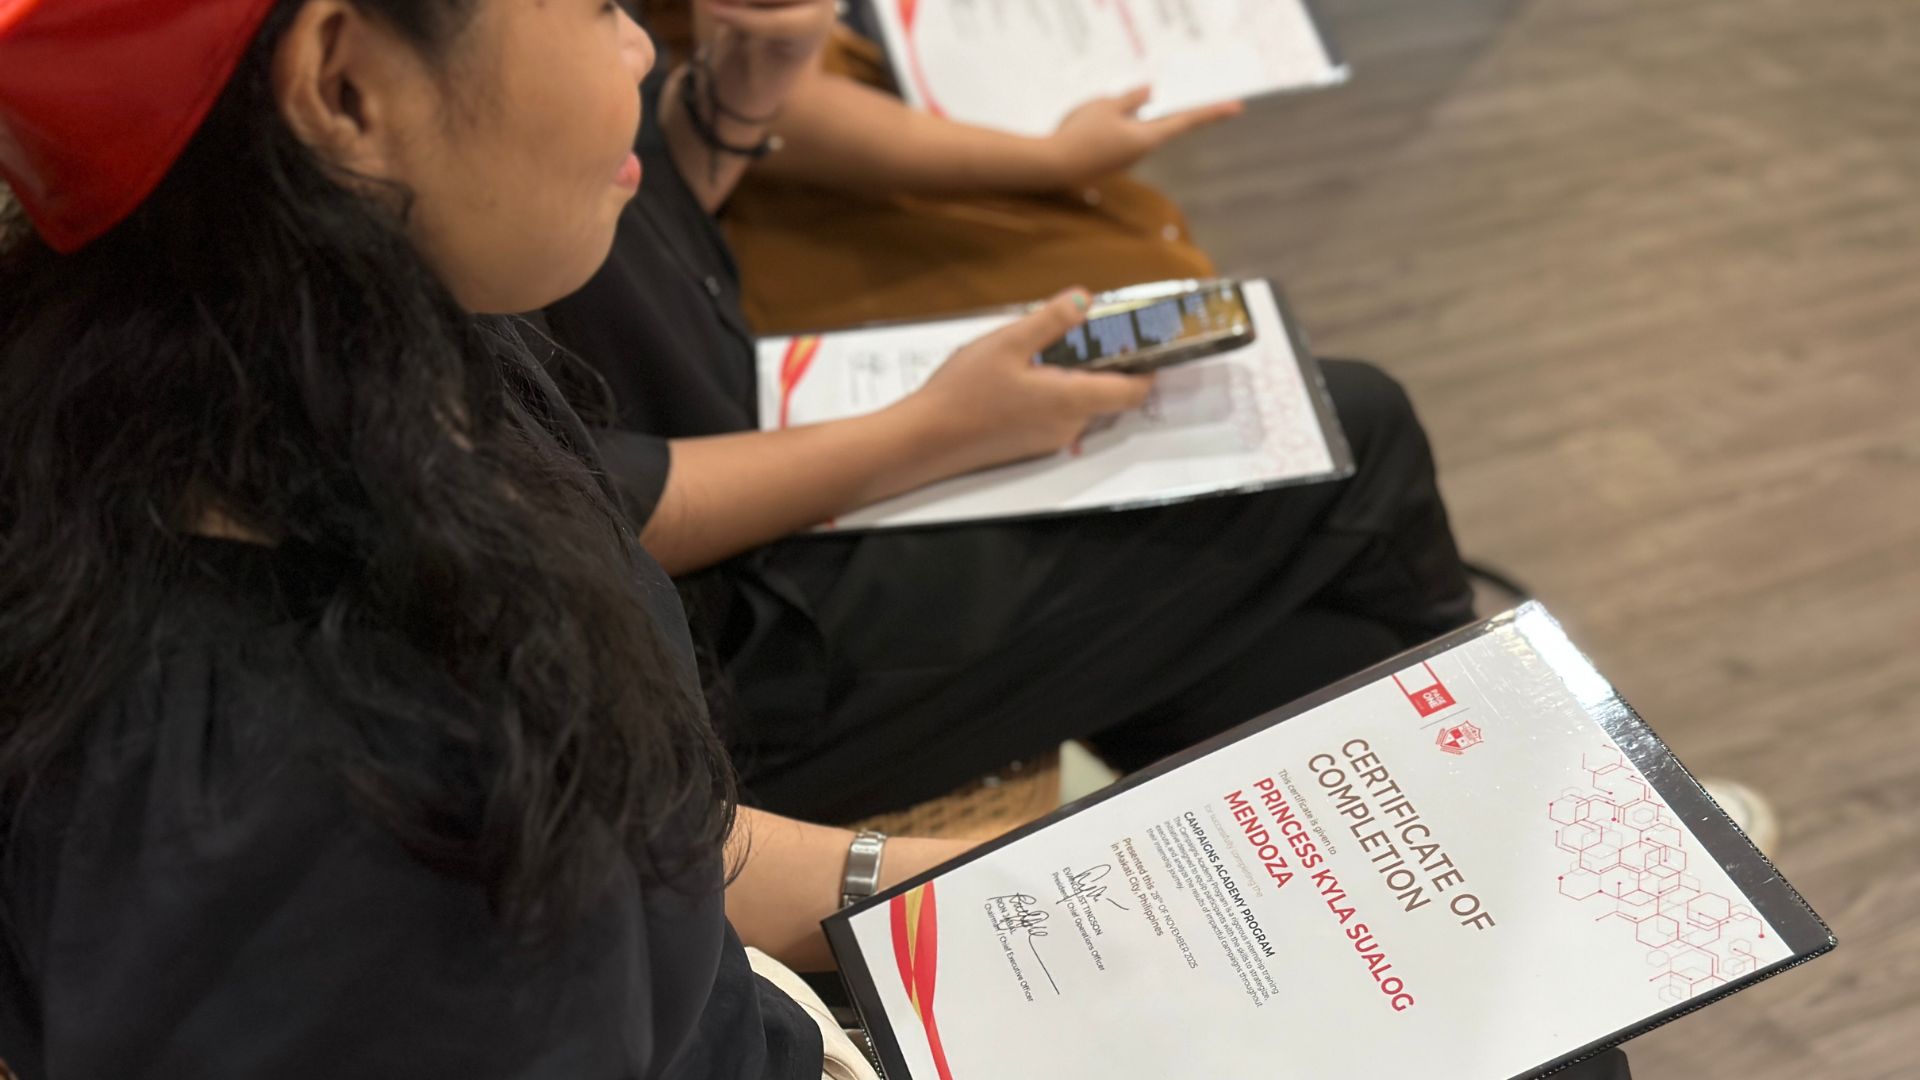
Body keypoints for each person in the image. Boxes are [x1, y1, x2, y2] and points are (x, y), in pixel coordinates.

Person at [0, 1, 965, 1075]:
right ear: (345, 88)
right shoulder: (325, 809)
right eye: (595, 6)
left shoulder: (377, 372)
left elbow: (644, 845)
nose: (642, 47)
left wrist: (934, 882)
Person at [542, 0, 1482, 826]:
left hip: (755, 467)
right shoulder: (456, 344)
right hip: (723, 648)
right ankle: (1478, 725)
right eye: (590, 11)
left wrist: (739, 93)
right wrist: (938, 429)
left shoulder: (527, 192)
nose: (637, 46)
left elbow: (638, 230)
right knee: (1351, 427)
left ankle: (1452, 786)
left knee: (1308, 647)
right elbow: (596, 506)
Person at [654, 4, 1241, 332]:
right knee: (1153, 293)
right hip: (754, 190)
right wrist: (1055, 159)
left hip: (887, 66)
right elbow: (767, 97)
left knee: (1156, 263)